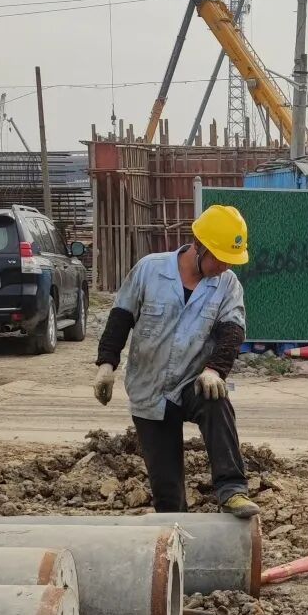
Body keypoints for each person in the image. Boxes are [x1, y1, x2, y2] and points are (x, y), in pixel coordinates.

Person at [92, 203, 259, 518]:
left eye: (230, 260)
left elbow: (232, 331)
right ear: (199, 246)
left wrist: (214, 371)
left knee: (216, 400)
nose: (225, 266)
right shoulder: (149, 270)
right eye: (220, 257)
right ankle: (177, 538)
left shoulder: (227, 284)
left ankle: (232, 490)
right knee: (168, 496)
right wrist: (106, 365)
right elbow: (120, 318)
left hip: (191, 381)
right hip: (149, 390)